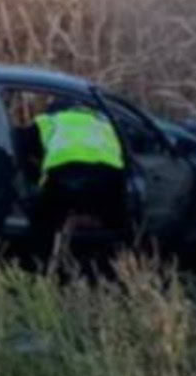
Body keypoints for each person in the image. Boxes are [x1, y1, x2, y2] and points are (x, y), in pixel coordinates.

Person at [17, 98, 130, 280]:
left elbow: (22, 151)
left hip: (64, 179)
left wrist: (36, 176)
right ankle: (112, 273)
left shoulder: (47, 121)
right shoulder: (104, 122)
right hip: (107, 181)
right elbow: (127, 152)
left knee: (44, 228)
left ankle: (40, 273)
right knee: (115, 229)